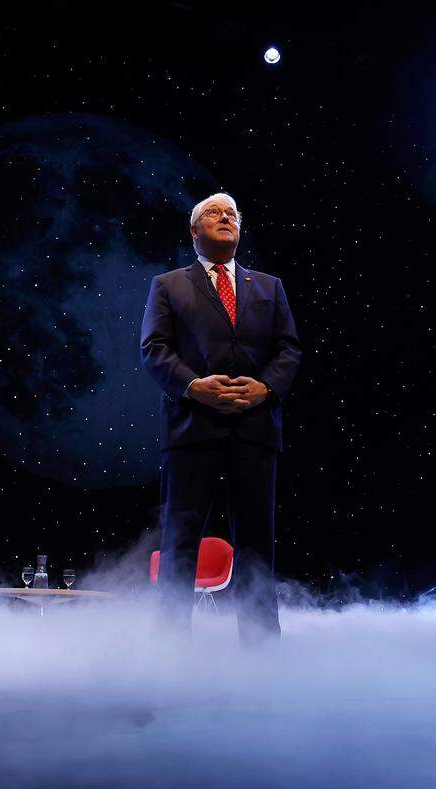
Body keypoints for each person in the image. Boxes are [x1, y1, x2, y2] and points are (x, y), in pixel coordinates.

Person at [140, 192, 302, 643]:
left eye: (233, 213)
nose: (227, 217)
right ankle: (170, 654)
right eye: (214, 212)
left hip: (255, 431)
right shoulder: (168, 285)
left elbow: (289, 349)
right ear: (194, 232)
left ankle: (262, 656)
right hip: (192, 429)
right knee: (179, 543)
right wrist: (194, 386)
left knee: (257, 546)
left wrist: (264, 388)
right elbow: (154, 350)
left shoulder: (269, 287)